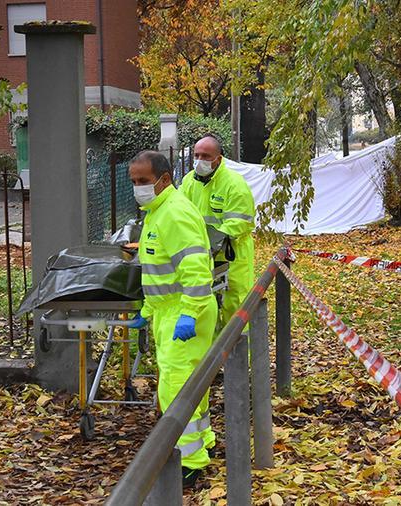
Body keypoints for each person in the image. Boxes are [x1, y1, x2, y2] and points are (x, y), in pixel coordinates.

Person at [126, 150, 218, 487]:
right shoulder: (157, 211)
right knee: (192, 386)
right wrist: (148, 311)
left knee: (176, 389)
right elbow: (161, 270)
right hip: (171, 311)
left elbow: (195, 270)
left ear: (164, 180)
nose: (139, 188)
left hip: (184, 312)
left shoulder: (173, 214)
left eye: (144, 182)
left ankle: (189, 462)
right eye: (134, 182)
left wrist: (188, 314)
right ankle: (202, 442)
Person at [179, 134, 255, 332]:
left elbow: (240, 223)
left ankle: (238, 358)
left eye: (205, 156)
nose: (200, 160)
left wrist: (211, 241)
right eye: (197, 155)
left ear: (218, 159)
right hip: (201, 254)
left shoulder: (234, 184)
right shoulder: (188, 182)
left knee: (235, 305)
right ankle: (210, 357)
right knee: (205, 305)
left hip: (233, 253)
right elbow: (178, 215)